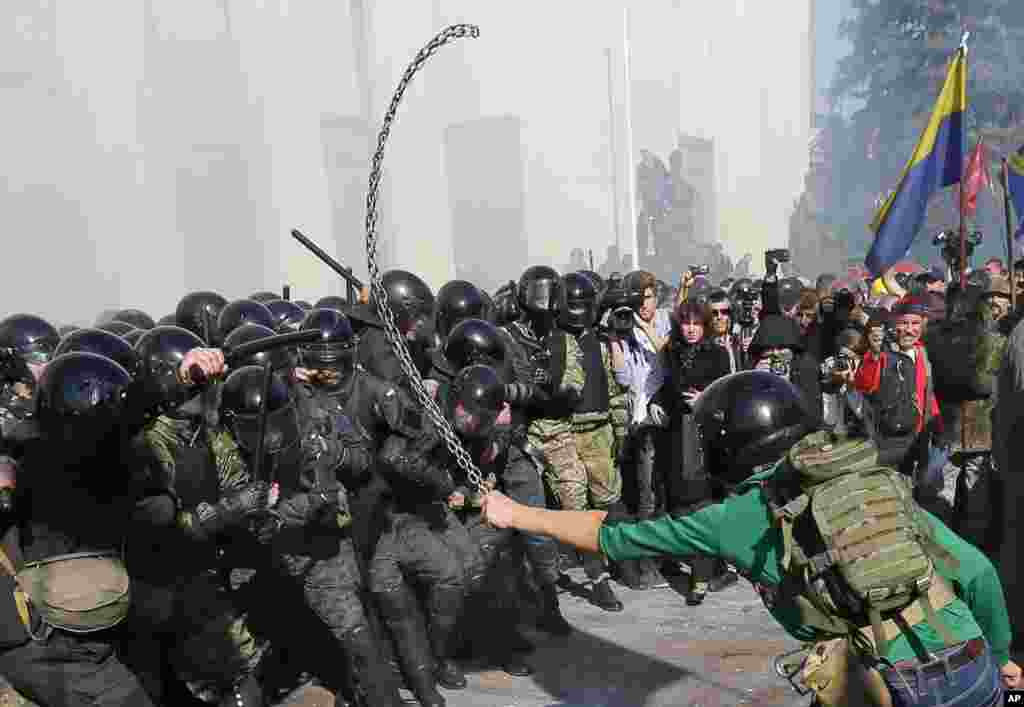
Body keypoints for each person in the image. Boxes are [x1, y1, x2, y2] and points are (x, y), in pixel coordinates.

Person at [482, 371, 1021, 704]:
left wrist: (516, 513)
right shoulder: (869, 477)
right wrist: (999, 658)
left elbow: (610, 537)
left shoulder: (737, 516)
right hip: (971, 663)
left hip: (894, 685)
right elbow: (977, 573)